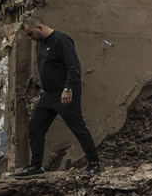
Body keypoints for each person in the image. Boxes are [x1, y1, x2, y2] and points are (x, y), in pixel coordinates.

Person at [14, 15, 102, 178]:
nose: (30, 38)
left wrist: (68, 88)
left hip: (65, 94)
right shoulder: (40, 44)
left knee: (78, 127)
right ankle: (36, 166)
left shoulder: (61, 40)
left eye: (30, 34)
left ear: (39, 28)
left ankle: (94, 164)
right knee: (35, 126)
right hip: (48, 95)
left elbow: (74, 67)